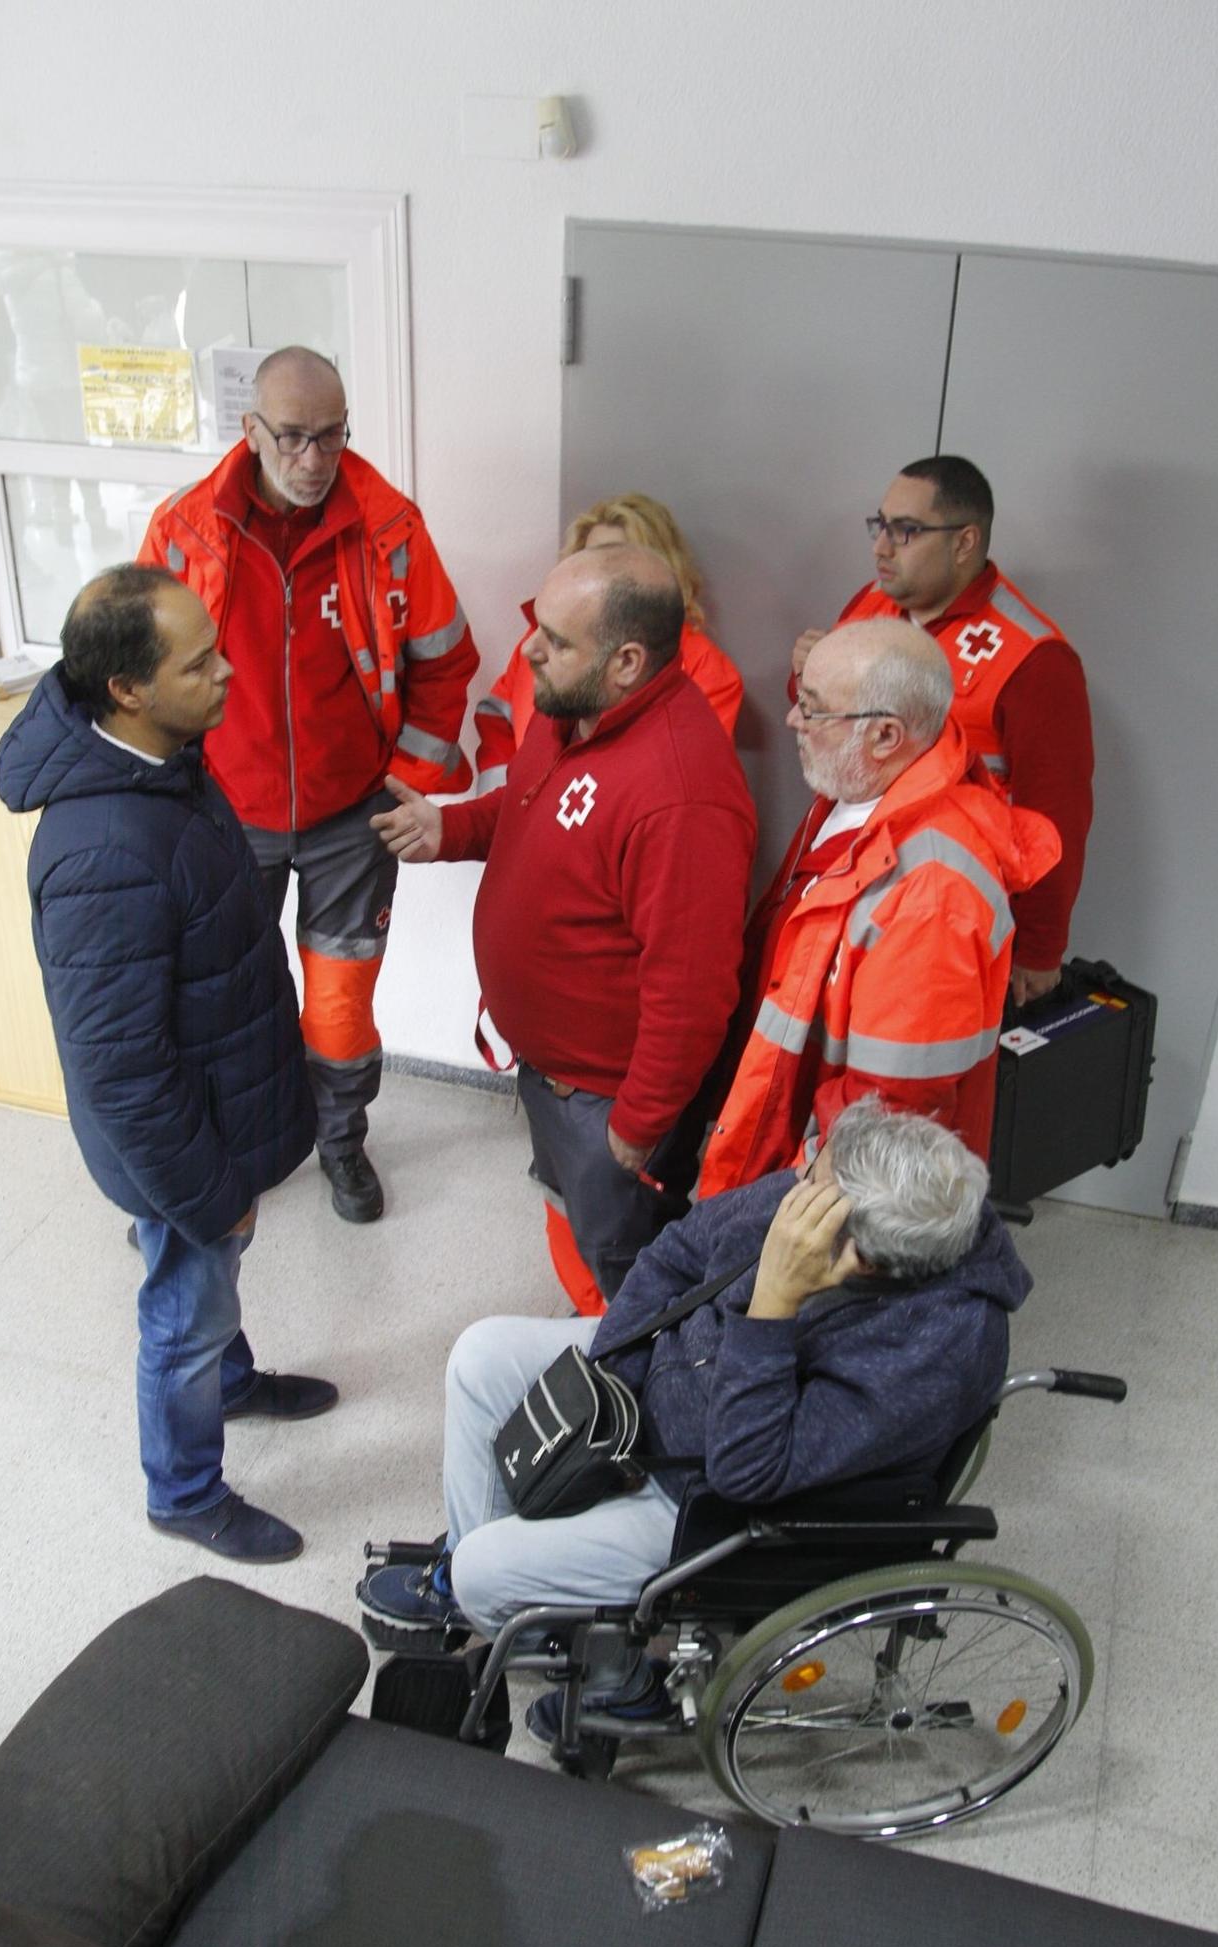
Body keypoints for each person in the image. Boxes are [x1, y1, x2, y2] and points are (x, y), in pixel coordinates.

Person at [358, 1098, 1027, 1742]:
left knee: (484, 1570)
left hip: (711, 1499)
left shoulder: (935, 1349)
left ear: (865, 1260)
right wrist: (615, 1382)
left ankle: (612, 1677)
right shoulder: (825, 1185)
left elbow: (746, 1470)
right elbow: (675, 1251)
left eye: (810, 1188)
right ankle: (525, 1596)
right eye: (811, 1165)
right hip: (666, 1375)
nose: (793, 1183)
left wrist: (772, 1303)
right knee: (482, 1355)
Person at [0, 566, 335, 1564]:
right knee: (183, 1304)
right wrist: (208, 1190)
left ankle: (231, 1382)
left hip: (215, 1106)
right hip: (181, 1141)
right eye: (201, 662)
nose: (229, 673)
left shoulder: (161, 761)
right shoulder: (102, 849)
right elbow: (123, 1070)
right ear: (127, 690)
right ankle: (183, 1490)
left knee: (206, 1276)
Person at [139, 346, 479, 1223]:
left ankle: (340, 1145)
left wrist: (405, 783)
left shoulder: (391, 528)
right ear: (250, 431)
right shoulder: (183, 531)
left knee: (337, 1003)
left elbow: (444, 664)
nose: (313, 458)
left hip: (350, 823)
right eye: (291, 436)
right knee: (228, 1004)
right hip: (223, 819)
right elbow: (141, 670)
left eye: (331, 435)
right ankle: (231, 1154)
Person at [373, 542, 756, 1312]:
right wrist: (447, 830)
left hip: (607, 1103)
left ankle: (634, 1397)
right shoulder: (569, 710)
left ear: (625, 662)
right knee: (580, 1229)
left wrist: (637, 1128)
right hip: (551, 1075)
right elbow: (525, 805)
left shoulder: (681, 795)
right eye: (535, 625)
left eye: (554, 638)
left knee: (631, 1272)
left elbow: (690, 994)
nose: (530, 650)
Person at [700, 621, 1060, 1196]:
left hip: (828, 1190)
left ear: (886, 736)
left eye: (813, 710)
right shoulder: (858, 793)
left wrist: (785, 1208)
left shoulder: (932, 896)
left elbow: (887, 1108)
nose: (794, 719)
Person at [792, 456, 1093, 1007]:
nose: (881, 547)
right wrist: (806, 677)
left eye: (905, 531)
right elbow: (833, 727)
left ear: (964, 542)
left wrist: (1040, 951)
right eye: (879, 526)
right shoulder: (870, 608)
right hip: (846, 883)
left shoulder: (1034, 660)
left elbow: (1057, 821)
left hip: (940, 916)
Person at [473, 491, 743, 792]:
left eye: (616, 561)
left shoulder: (706, 668)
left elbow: (683, 781)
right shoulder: (539, 641)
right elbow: (498, 717)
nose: (598, 572)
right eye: (590, 559)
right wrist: (502, 800)